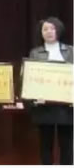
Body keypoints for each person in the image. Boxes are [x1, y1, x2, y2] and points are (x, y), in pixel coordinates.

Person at [27, 17, 73, 165]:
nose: (49, 32)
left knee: (67, 146)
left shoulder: (71, 51)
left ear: (59, 30)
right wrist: (33, 97)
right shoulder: (35, 53)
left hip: (66, 107)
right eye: (45, 29)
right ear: (41, 33)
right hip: (44, 106)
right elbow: (31, 77)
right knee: (45, 145)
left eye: (52, 28)